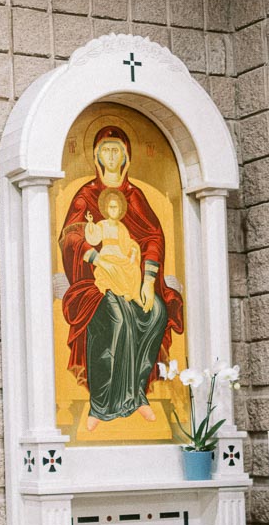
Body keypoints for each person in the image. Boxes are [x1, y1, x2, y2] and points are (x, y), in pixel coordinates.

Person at [58, 126, 184, 430]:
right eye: (106, 149)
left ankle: (137, 393)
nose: (112, 156)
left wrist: (149, 280)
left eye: (117, 150)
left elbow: (153, 236)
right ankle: (100, 404)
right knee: (116, 321)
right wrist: (95, 256)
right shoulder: (86, 196)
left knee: (155, 313)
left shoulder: (135, 197)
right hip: (95, 280)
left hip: (133, 279)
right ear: (96, 155)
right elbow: (71, 237)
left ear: (126, 155)